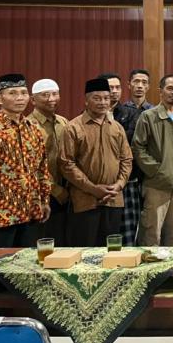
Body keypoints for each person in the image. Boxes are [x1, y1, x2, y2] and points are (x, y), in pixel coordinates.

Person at [0, 74, 52, 253]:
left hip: (31, 212)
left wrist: (44, 200)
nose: (20, 98)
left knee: (28, 263)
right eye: (12, 93)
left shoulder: (34, 129)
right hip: (1, 215)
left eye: (23, 93)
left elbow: (42, 169)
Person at [60, 78, 133, 247]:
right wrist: (93, 189)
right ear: (86, 101)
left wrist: (119, 185)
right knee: (85, 249)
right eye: (97, 98)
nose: (103, 102)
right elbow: (66, 164)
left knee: (110, 251)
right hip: (85, 201)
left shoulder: (116, 127)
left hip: (113, 199)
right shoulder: (73, 127)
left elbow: (127, 159)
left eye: (106, 98)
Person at [133, 75, 173, 246]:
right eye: (170, 88)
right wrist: (157, 171)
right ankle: (149, 265)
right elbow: (138, 148)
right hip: (156, 184)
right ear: (160, 91)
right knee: (151, 233)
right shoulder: (148, 116)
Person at [100, 72, 143, 246]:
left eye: (117, 87)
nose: (114, 91)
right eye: (110, 88)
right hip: (100, 182)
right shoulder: (87, 116)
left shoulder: (131, 114)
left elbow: (128, 143)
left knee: (127, 231)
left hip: (127, 180)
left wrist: (110, 124)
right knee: (103, 231)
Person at [28, 79, 69, 246]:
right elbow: (32, 166)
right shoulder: (28, 125)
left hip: (65, 192)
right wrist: (56, 190)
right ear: (33, 100)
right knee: (43, 242)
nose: (51, 99)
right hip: (41, 194)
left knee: (63, 242)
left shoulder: (63, 122)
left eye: (54, 94)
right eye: (45, 95)